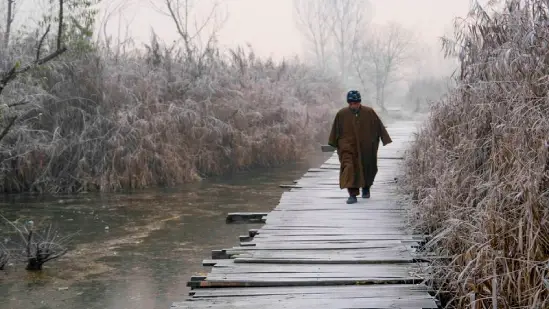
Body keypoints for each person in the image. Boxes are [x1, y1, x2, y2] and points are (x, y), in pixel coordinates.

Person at [328, 90, 392, 204]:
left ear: (359, 102)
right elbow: (335, 130)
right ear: (349, 103)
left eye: (356, 103)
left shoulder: (369, 112)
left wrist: (385, 138)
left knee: (368, 167)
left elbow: (379, 126)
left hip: (366, 146)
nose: (354, 105)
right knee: (348, 168)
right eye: (351, 103)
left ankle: (366, 187)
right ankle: (352, 194)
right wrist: (333, 143)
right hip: (347, 147)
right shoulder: (342, 114)